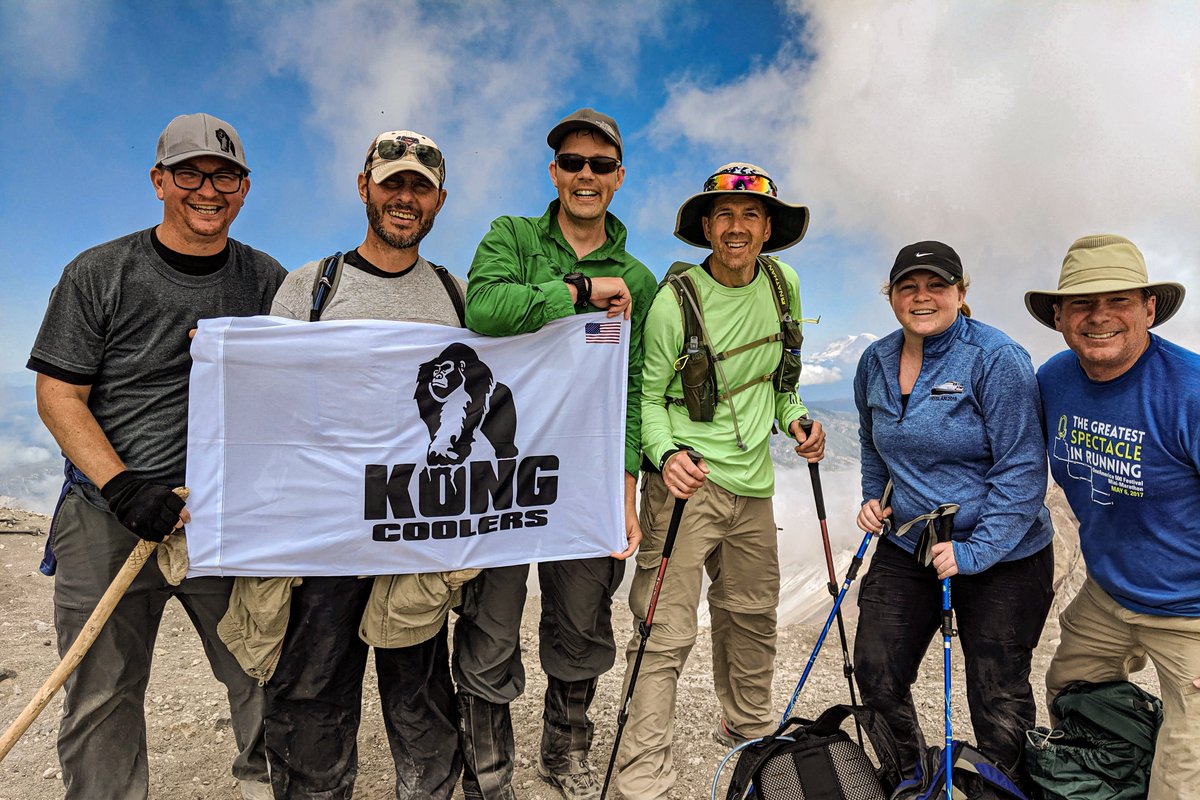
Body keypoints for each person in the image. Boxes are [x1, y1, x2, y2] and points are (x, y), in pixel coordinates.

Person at [26, 113, 283, 800]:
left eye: (223, 174)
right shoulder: (100, 272)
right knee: (101, 692)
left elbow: (296, 389)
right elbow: (58, 396)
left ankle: (270, 784)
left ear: (245, 186)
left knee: (264, 668)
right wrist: (124, 487)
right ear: (160, 181)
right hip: (108, 515)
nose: (208, 189)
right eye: (190, 173)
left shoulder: (267, 281)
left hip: (221, 518)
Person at [248, 129, 468, 799]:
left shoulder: (457, 295)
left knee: (422, 693)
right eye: (392, 182)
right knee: (312, 691)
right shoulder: (311, 286)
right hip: (324, 533)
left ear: (439, 200)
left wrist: (592, 320)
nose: (405, 198)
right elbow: (265, 399)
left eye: (419, 187)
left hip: (416, 531)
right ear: (364, 187)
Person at [457, 108, 657, 800]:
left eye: (600, 166)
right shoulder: (511, 236)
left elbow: (633, 388)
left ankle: (565, 748)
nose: (585, 176)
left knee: (581, 617)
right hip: (500, 472)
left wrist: (623, 492)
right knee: (492, 615)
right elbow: (483, 310)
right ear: (554, 173)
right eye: (572, 163)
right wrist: (579, 292)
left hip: (583, 475)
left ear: (619, 178)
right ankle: (489, 770)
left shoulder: (640, 275)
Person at [616, 162, 825, 799]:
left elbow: (780, 385)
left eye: (751, 215)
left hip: (753, 484)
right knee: (664, 630)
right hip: (687, 484)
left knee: (752, 615)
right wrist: (665, 453)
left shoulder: (784, 286)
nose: (737, 228)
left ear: (768, 228)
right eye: (725, 216)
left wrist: (799, 421)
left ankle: (752, 735)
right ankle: (643, 772)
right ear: (707, 227)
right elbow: (648, 397)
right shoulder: (673, 304)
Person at [851, 240, 1055, 784]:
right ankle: (910, 779)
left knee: (997, 692)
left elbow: (1023, 469)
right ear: (891, 296)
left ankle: (1000, 791)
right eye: (908, 287)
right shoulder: (875, 360)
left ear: (961, 293)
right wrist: (875, 497)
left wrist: (975, 551)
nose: (922, 297)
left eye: (936, 285)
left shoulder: (996, 358)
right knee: (875, 669)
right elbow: (875, 442)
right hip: (909, 542)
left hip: (1006, 554)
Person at [1026, 234, 1198, 800]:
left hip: (1190, 609)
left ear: (1149, 308)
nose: (1099, 317)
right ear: (1059, 316)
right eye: (1081, 303)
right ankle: (1120, 775)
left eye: (1118, 300)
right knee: (1070, 689)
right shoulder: (1054, 379)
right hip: (1108, 590)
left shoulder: (1189, 391)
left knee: (1183, 773)